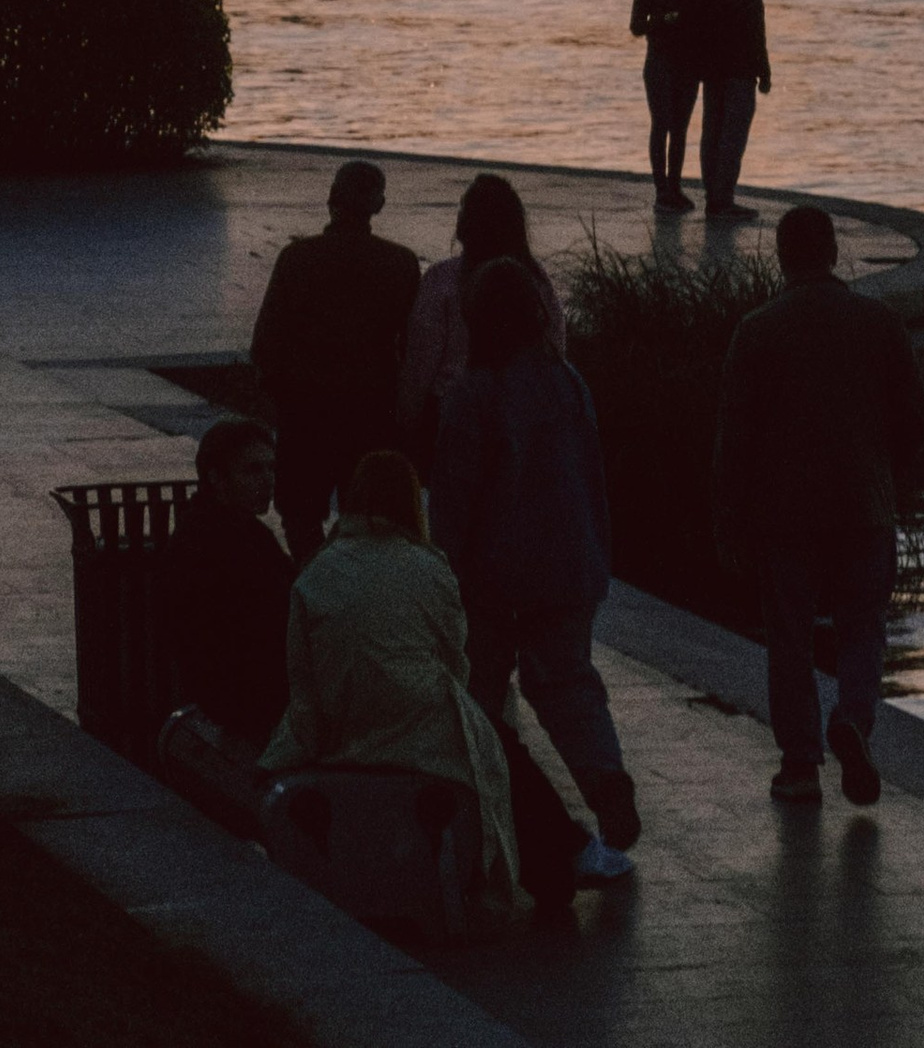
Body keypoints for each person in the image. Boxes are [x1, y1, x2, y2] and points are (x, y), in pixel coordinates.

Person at [714, 202, 924, 809]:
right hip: (865, 505)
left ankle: (800, 765)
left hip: (786, 517)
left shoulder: (757, 330)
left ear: (782, 257)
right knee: (864, 628)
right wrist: (893, 481)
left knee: (791, 639)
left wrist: (728, 520)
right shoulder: (879, 322)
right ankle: (853, 718)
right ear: (834, 253)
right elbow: (914, 420)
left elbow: (735, 438)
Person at [433, 256, 638, 876]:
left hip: (496, 575)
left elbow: (454, 499)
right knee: (569, 683)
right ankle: (606, 782)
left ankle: (493, 816)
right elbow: (593, 474)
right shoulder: (566, 380)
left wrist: (445, 568)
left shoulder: (474, 394)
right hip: (572, 564)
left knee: (480, 696)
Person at [259, 445, 517, 901]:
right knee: (496, 742)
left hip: (344, 723)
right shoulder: (429, 565)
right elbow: (456, 660)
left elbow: (301, 672)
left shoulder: (319, 568)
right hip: (416, 724)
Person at [250, 160, 422, 561]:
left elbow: (266, 344)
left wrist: (284, 398)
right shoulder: (399, 264)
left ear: (331, 199)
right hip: (371, 413)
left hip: (306, 414)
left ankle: (316, 589)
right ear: (378, 205)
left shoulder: (298, 259)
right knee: (367, 522)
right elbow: (412, 350)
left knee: (300, 521)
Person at [397, 173, 568, 473]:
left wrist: (406, 423)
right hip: (521, 409)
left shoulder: (443, 279)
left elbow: (421, 365)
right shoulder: (535, 279)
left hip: (452, 412)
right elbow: (556, 350)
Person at [160, 415, 294, 750]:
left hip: (230, 691)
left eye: (270, 469)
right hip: (244, 699)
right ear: (217, 478)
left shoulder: (222, 528)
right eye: (252, 471)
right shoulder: (227, 541)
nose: (267, 481)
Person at [696, 0, 770, 223]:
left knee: (711, 133)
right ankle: (723, 200)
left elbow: (697, 29)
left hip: (712, 72)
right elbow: (756, 36)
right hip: (740, 73)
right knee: (732, 138)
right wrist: (764, 73)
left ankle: (712, 196)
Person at [630, 0, 704, 213]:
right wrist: (662, 20)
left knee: (680, 129)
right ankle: (662, 190)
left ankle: (674, 187)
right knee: (661, 125)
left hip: (687, 65)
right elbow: (636, 26)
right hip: (660, 62)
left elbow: (703, 23)